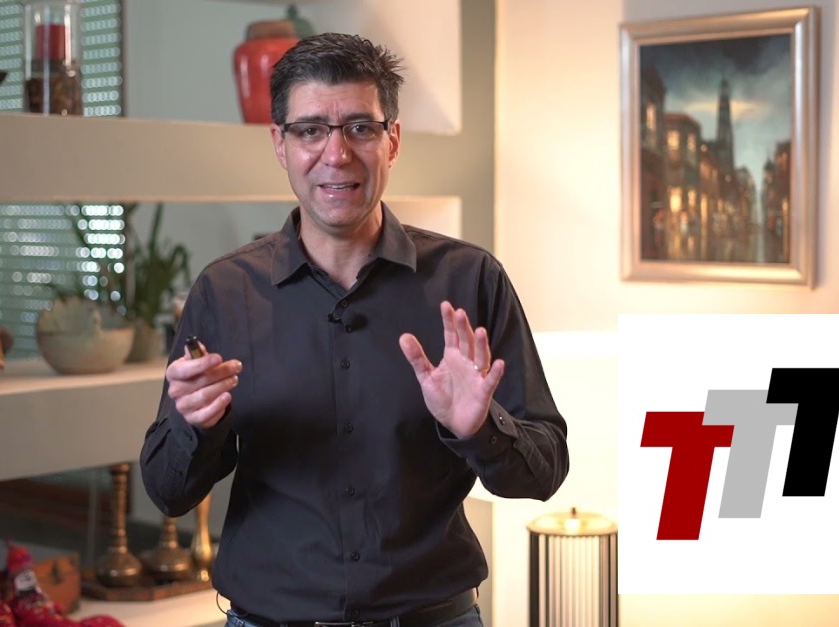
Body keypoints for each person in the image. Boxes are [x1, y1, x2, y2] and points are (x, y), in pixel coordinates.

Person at [140, 32, 569, 627]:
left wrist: (479, 429)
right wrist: (195, 427)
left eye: (360, 128)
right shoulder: (225, 291)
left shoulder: (470, 280)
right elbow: (168, 493)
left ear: (393, 140)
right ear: (280, 144)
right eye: (310, 130)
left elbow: (545, 471)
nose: (336, 154)